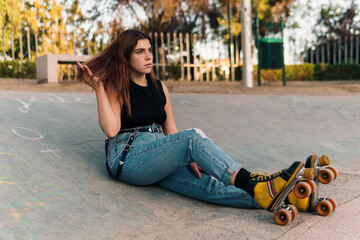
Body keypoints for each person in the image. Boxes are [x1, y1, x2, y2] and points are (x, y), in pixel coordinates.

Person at [76, 29, 305, 212]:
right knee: (192, 137)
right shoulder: (116, 86)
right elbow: (110, 129)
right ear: (125, 57)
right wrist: (98, 88)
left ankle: (288, 197)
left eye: (150, 50)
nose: (148, 56)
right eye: (139, 52)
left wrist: (190, 155)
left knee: (208, 185)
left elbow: (172, 131)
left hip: (159, 153)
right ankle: (254, 182)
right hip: (129, 157)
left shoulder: (160, 88)